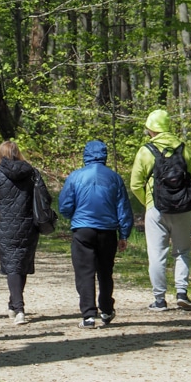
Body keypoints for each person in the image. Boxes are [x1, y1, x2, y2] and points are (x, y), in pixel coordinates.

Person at [58, 140, 134, 328]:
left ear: (86, 154)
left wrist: (73, 216)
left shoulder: (75, 176)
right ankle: (107, 310)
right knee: (105, 272)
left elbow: (65, 205)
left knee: (84, 272)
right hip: (107, 231)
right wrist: (124, 234)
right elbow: (123, 208)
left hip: (83, 230)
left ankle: (88, 315)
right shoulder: (114, 178)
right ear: (104, 155)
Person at [130, 109, 191, 311]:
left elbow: (135, 185)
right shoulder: (183, 149)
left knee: (157, 254)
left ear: (151, 129)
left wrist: (148, 203)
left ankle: (159, 300)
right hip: (183, 209)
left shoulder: (145, 151)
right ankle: (182, 293)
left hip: (156, 208)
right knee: (182, 251)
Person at [0, 140, 50, 325]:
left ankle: (19, 308)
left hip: (5, 227)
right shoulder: (32, 173)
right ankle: (13, 304)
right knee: (20, 265)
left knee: (13, 266)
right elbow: (45, 196)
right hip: (29, 226)